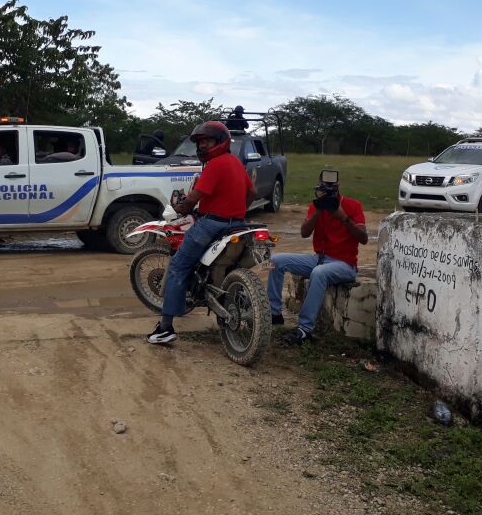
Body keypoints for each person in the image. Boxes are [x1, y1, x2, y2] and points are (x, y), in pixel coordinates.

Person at [148, 121, 255, 345]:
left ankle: (166, 327)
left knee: (178, 266)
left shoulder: (215, 165)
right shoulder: (235, 163)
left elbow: (192, 200)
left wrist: (180, 207)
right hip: (237, 225)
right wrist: (238, 211)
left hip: (213, 224)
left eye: (208, 141)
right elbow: (252, 192)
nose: (203, 146)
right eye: (200, 142)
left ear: (220, 142)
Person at [267, 171, 368, 346]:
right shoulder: (316, 206)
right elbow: (304, 233)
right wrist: (317, 213)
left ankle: (305, 329)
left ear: (338, 187)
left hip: (345, 264)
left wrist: (344, 218)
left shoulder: (353, 206)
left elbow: (364, 238)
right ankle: (274, 313)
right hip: (320, 258)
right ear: (318, 188)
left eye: (332, 188)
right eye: (324, 188)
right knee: (276, 260)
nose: (329, 192)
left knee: (319, 273)